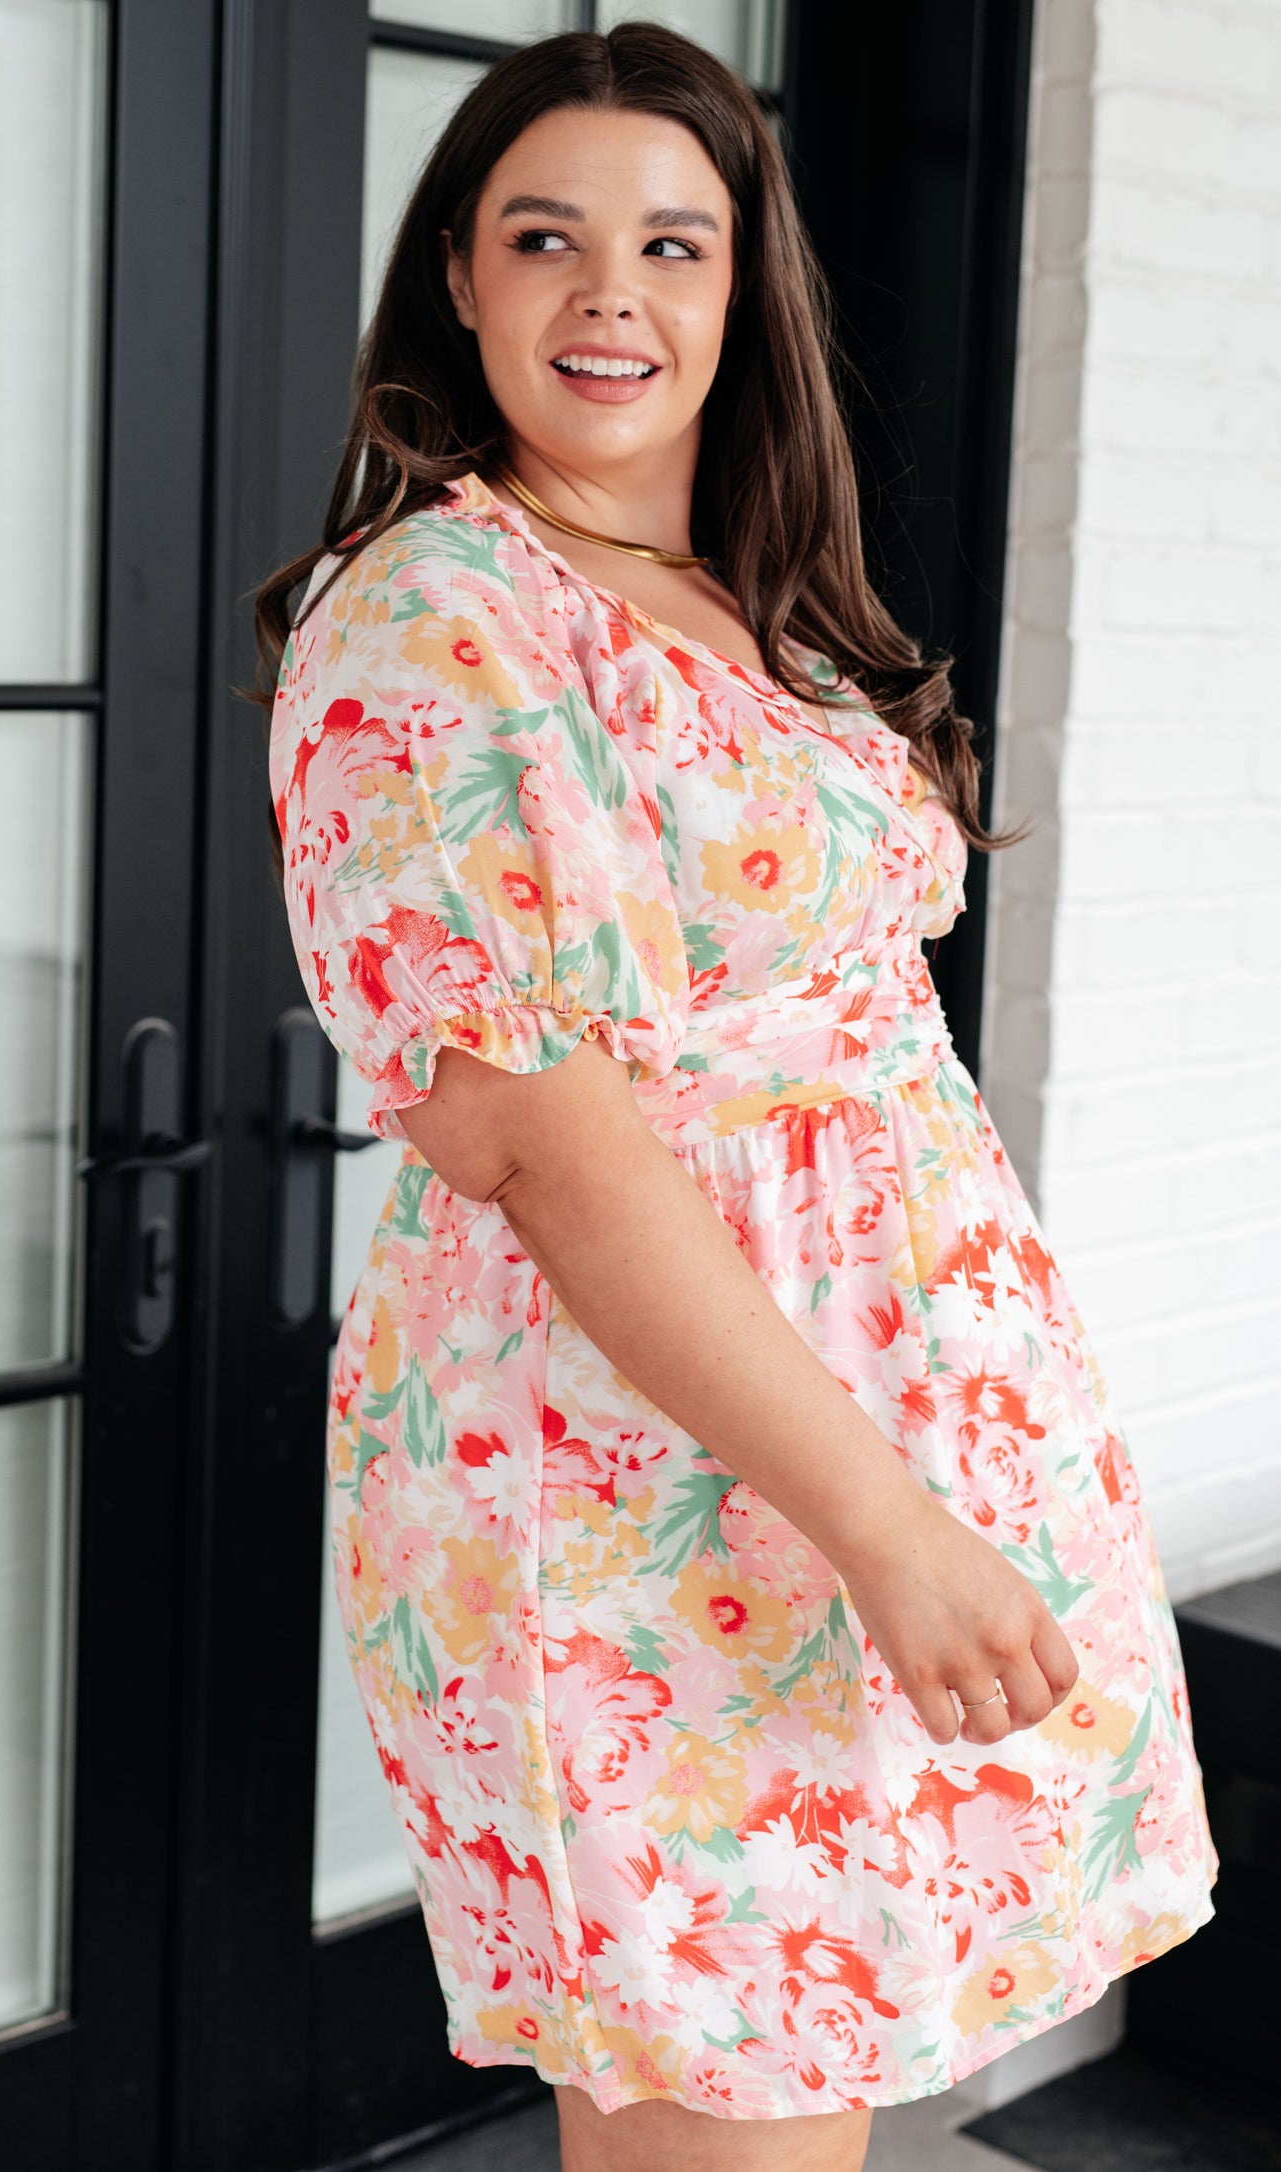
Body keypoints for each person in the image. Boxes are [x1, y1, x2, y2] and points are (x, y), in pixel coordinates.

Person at [258, 26, 1216, 2172]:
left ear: (737, 284)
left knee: (803, 2093)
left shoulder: (749, 600)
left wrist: (947, 1476)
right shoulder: (437, 617)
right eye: (546, 239)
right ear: (458, 280)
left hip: (878, 1441)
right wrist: (885, 1527)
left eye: (671, 244)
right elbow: (537, 1142)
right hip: (662, 1483)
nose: (612, 294)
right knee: (728, 2110)